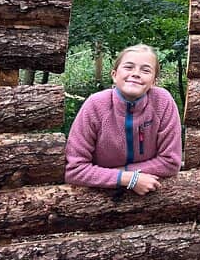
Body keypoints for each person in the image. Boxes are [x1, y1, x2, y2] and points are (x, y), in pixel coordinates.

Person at [65, 44, 182, 194]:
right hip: (99, 201)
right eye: (128, 67)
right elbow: (74, 169)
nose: (136, 74)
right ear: (114, 74)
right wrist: (127, 178)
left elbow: (171, 162)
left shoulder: (162, 102)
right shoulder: (95, 105)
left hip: (151, 199)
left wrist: (123, 172)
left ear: (154, 81)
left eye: (145, 70)